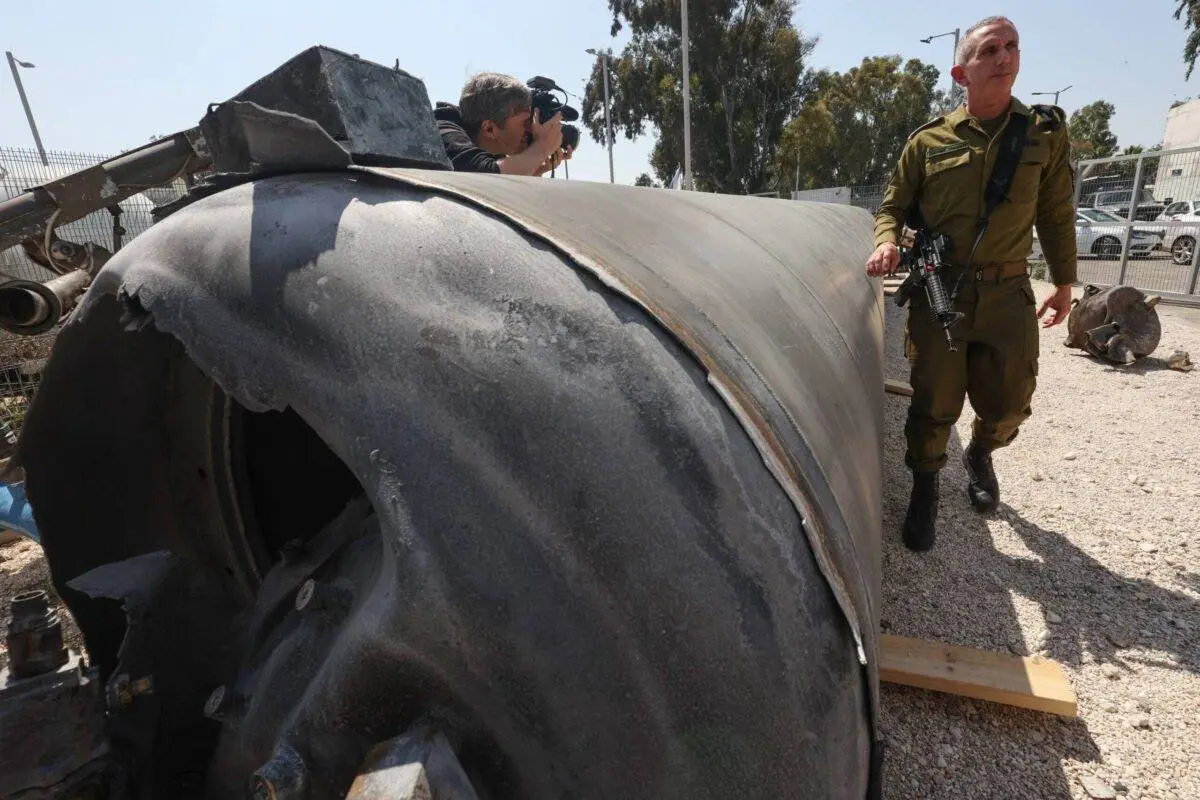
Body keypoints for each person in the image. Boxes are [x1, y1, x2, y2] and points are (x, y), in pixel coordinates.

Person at [865, 15, 1077, 552]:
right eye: (990, 50)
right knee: (933, 400)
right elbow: (891, 206)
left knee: (1010, 402)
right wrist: (887, 241)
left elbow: (1055, 213)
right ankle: (926, 487)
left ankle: (981, 451)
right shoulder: (927, 142)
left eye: (1011, 46)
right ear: (962, 72)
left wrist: (1064, 282)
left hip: (1008, 293)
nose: (1005, 57)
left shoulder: (1043, 133)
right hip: (944, 290)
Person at [433, 72, 571, 176]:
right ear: (489, 129)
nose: (531, 129)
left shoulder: (489, 150)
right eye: (525, 122)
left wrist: (533, 169)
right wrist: (542, 148)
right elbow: (481, 175)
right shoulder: (442, 130)